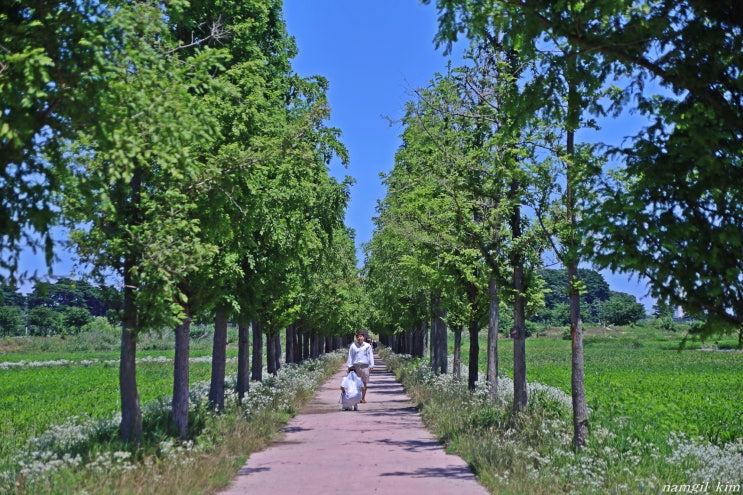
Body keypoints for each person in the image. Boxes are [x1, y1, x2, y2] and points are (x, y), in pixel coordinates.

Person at [346, 330, 374, 403]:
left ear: (363, 337)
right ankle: (356, 398)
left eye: (361, 336)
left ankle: (363, 398)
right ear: (356, 338)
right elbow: (350, 356)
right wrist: (349, 366)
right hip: (355, 366)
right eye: (358, 337)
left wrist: (371, 366)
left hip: (365, 366)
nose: (359, 338)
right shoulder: (353, 346)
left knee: (364, 383)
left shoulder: (367, 346)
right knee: (356, 383)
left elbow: (370, 355)